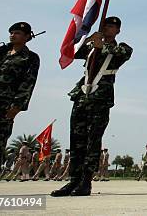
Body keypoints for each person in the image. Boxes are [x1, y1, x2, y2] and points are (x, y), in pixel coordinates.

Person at [51, 17, 132, 197]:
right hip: (81, 95)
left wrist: (100, 45)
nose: (107, 28)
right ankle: (73, 179)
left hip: (100, 97)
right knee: (76, 139)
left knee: (93, 139)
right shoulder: (90, 46)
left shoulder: (123, 47)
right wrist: (87, 40)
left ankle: (86, 181)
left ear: (118, 30)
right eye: (105, 25)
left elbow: (121, 53)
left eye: (111, 26)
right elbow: (70, 51)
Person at [0, 22, 40, 196]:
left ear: (26, 36)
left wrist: (17, 106)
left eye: (17, 33)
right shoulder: (0, 55)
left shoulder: (30, 58)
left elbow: (28, 83)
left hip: (5, 106)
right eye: (11, 32)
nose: (12, 35)